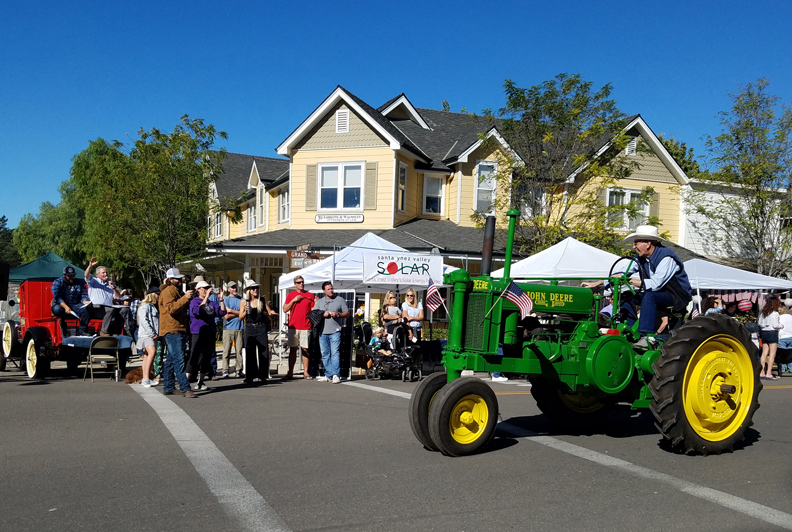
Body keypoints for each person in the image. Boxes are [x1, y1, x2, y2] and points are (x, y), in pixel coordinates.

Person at [582, 225, 692, 346]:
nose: (634, 247)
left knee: (649, 296)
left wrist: (629, 280)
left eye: (636, 243)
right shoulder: (640, 258)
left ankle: (647, 336)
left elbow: (655, 284)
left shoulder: (666, 257)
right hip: (656, 293)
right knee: (626, 295)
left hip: (676, 296)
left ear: (648, 244)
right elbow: (622, 273)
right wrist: (597, 283)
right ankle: (629, 332)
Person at [158, 267, 197, 398]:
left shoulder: (175, 291)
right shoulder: (168, 291)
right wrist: (185, 298)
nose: (180, 280)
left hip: (176, 328)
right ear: (170, 279)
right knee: (179, 360)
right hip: (172, 329)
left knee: (171, 360)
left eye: (180, 278)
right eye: (177, 279)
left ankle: (169, 386)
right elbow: (171, 309)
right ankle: (185, 388)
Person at [187, 280, 226, 391]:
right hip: (198, 332)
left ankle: (200, 381)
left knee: (206, 357)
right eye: (204, 288)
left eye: (208, 288)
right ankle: (185, 381)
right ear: (198, 289)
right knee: (194, 356)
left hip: (210, 332)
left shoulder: (211, 303)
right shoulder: (194, 301)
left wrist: (221, 299)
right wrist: (206, 297)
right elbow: (197, 311)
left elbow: (222, 312)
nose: (206, 290)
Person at [239, 280, 277, 384]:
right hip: (250, 327)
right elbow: (240, 317)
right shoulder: (244, 302)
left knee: (263, 352)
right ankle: (250, 376)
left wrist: (272, 312)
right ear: (249, 291)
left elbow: (268, 311)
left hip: (261, 327)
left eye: (257, 288)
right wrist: (245, 311)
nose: (255, 290)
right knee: (250, 352)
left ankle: (263, 376)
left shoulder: (262, 300)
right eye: (253, 288)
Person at [84, 257, 132, 336]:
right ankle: (104, 331)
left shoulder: (111, 284)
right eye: (103, 273)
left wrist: (113, 288)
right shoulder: (93, 281)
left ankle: (115, 332)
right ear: (98, 274)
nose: (106, 274)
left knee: (124, 310)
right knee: (110, 310)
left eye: (106, 273)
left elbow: (118, 297)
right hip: (96, 308)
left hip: (109, 308)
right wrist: (90, 266)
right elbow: (86, 275)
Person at [314, 281, 349, 383]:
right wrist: (322, 314)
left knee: (335, 353)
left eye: (331, 288)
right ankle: (328, 374)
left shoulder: (340, 300)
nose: (331, 290)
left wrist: (338, 314)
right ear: (324, 291)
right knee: (325, 354)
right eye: (328, 289)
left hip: (335, 331)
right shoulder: (320, 302)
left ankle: (335, 375)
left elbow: (347, 313)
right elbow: (314, 314)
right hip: (322, 331)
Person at [283, 275, 316, 379]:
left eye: (302, 282)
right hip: (293, 326)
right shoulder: (291, 295)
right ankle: (290, 372)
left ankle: (306, 372)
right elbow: (285, 309)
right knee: (293, 349)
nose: (301, 284)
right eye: (299, 282)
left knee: (305, 349)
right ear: (295, 284)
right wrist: (293, 300)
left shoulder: (310, 295)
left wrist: (316, 303)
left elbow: (313, 310)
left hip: (305, 326)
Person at [51, 266, 92, 336]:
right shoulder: (57, 282)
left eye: (73, 275)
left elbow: (84, 294)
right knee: (57, 309)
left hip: (75, 304)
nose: (71, 277)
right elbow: (57, 297)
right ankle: (63, 326)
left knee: (86, 309)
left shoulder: (80, 282)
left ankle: (83, 330)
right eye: (69, 276)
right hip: (61, 304)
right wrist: (66, 307)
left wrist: (85, 301)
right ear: (64, 275)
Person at [136, 287, 160, 388]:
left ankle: (146, 378)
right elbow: (144, 320)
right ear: (152, 295)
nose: (158, 296)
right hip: (147, 334)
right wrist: (151, 332)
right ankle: (146, 379)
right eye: (157, 294)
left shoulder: (152, 306)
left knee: (147, 355)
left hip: (150, 334)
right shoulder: (145, 306)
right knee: (152, 352)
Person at [220, 281, 244, 378]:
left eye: (235, 287)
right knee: (226, 351)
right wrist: (238, 313)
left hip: (239, 327)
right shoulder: (226, 300)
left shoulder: (241, 299)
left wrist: (232, 311)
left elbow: (243, 313)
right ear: (228, 289)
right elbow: (226, 316)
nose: (235, 289)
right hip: (228, 328)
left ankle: (238, 370)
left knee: (239, 351)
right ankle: (225, 370)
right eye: (232, 287)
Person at [759, 295, 783, 380]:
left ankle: (762, 371)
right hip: (772, 332)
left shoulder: (763, 313)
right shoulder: (775, 313)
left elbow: (760, 324)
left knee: (764, 352)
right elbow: (775, 325)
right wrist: (781, 326)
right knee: (772, 354)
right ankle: (768, 373)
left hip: (764, 332)